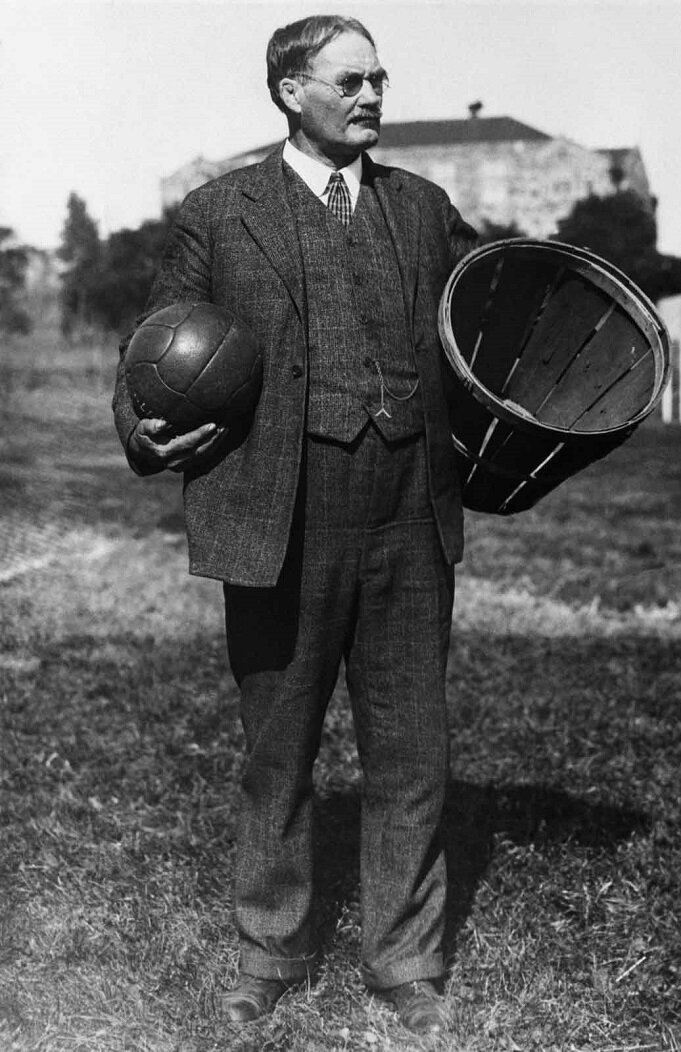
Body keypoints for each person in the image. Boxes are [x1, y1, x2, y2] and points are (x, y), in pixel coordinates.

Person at [112, 13, 477, 1039]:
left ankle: (406, 960)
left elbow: (477, 331)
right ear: (289, 91)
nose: (371, 96)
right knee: (277, 751)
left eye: (379, 79)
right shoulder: (219, 211)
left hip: (408, 512)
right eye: (349, 81)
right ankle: (269, 951)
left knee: (412, 748)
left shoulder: (423, 208)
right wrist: (139, 428)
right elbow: (153, 342)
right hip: (280, 514)